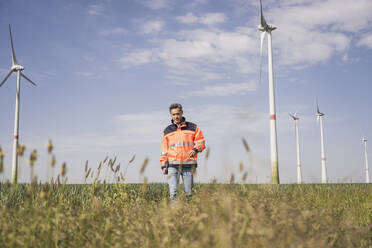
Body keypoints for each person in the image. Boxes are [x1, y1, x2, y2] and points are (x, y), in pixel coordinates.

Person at [160, 103, 206, 201]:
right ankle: (174, 215)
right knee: (173, 193)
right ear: (171, 115)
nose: (176, 116)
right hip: (172, 165)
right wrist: (163, 166)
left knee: (189, 193)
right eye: (174, 114)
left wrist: (195, 149)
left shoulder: (193, 127)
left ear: (182, 113)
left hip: (188, 165)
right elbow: (164, 151)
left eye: (178, 114)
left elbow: (201, 142)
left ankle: (188, 214)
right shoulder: (167, 131)